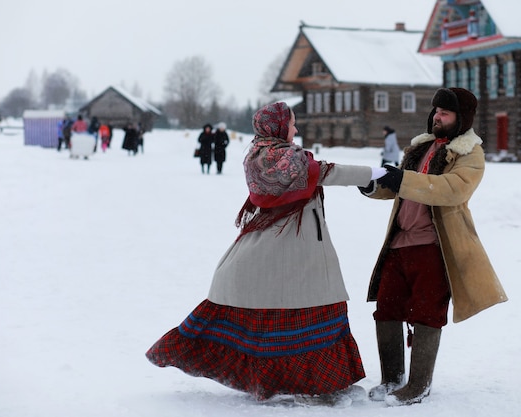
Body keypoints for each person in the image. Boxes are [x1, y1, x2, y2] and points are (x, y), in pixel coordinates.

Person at [146, 102, 388, 405]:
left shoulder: (260, 154)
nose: (296, 129)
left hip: (278, 246)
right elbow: (326, 172)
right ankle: (321, 385)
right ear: (278, 127)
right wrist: (377, 173)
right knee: (310, 312)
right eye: (292, 124)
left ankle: (301, 382)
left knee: (279, 317)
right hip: (295, 248)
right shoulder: (284, 158)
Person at [358, 88, 508, 406]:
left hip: (435, 246)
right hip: (399, 243)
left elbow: (452, 189)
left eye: (446, 113)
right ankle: (392, 379)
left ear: (461, 119)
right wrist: (373, 186)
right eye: (437, 111)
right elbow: (398, 189)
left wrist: (403, 180)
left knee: (427, 314)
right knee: (387, 309)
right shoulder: (421, 146)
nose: (438, 117)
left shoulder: (470, 153)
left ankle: (417, 385)